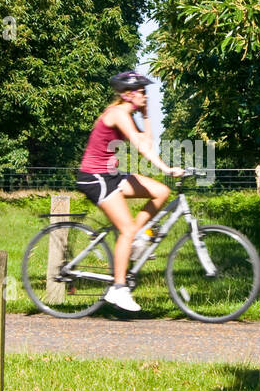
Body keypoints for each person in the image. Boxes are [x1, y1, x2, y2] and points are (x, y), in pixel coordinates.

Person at [76, 70, 185, 312]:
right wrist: (167, 168)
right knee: (125, 229)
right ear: (127, 95)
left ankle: (137, 236)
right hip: (96, 178)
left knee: (160, 192)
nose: (145, 95)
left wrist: (146, 115)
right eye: (141, 92)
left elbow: (147, 142)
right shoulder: (118, 114)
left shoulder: (129, 113)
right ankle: (118, 288)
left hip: (111, 175)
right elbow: (140, 148)